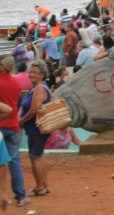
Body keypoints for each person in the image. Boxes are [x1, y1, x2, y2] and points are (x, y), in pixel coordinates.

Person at [18, 60, 52, 196]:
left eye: (34, 72)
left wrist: (21, 121)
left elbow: (34, 110)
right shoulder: (39, 87)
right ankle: (45, 184)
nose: (31, 74)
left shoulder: (38, 89)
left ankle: (39, 187)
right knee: (39, 155)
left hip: (35, 128)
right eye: (30, 72)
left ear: (42, 75)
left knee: (35, 157)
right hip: (38, 128)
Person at [0, 56, 29, 206]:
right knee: (14, 161)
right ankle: (20, 195)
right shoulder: (16, 82)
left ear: (4, 67)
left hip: (1, 125)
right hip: (12, 125)